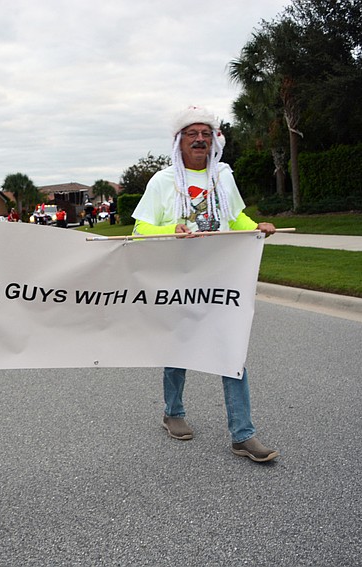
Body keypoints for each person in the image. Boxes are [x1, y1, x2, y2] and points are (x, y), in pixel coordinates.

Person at [131, 106, 279, 463]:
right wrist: (171, 229)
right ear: (178, 141)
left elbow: (234, 217)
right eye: (192, 134)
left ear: (214, 140)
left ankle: (243, 435)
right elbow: (139, 229)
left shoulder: (223, 177)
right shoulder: (163, 181)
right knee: (178, 349)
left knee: (232, 351)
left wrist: (255, 227)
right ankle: (173, 412)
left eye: (206, 134)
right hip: (178, 280)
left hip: (221, 278)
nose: (200, 139)